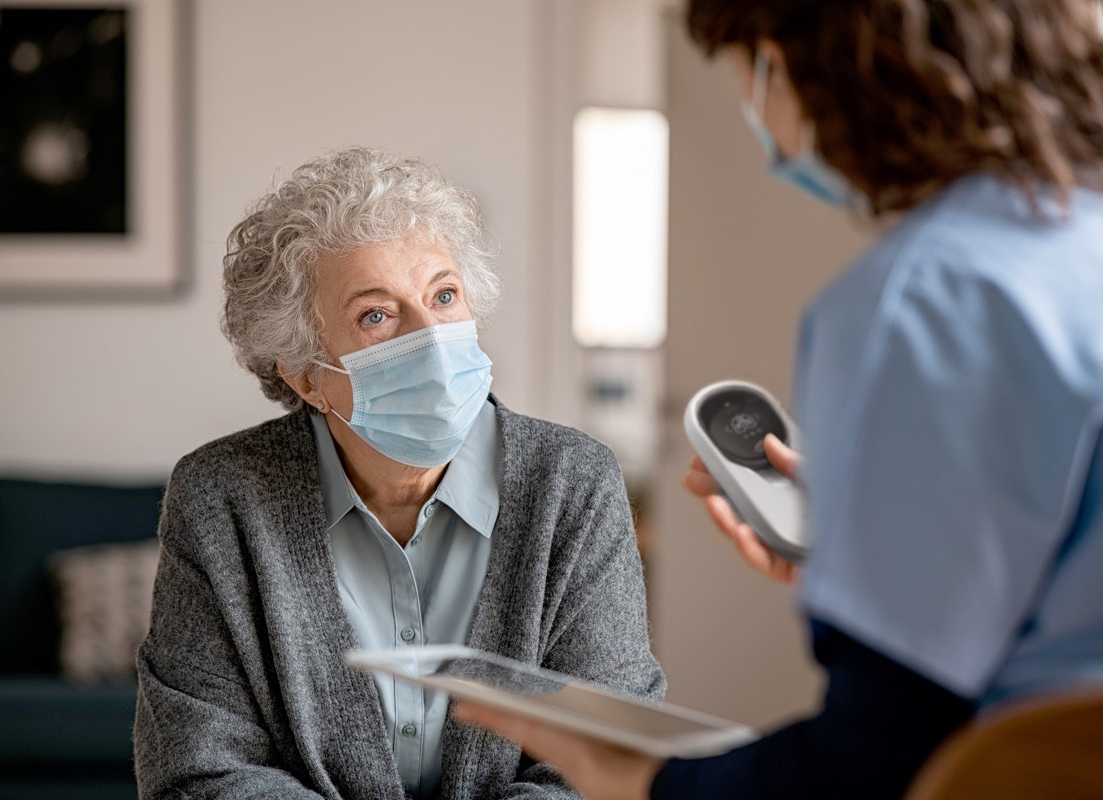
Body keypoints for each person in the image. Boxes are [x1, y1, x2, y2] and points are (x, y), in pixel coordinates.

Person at [456, 1, 1103, 797]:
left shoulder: (929, 293)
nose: (757, 119)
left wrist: (641, 781)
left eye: (744, 80)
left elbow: (873, 759)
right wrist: (868, 563)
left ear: (791, 65)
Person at [132, 146, 665, 799]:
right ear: (305, 376)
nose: (432, 339)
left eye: (444, 296)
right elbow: (198, 771)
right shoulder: (221, 498)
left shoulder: (572, 483)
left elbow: (607, 757)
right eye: (377, 315)